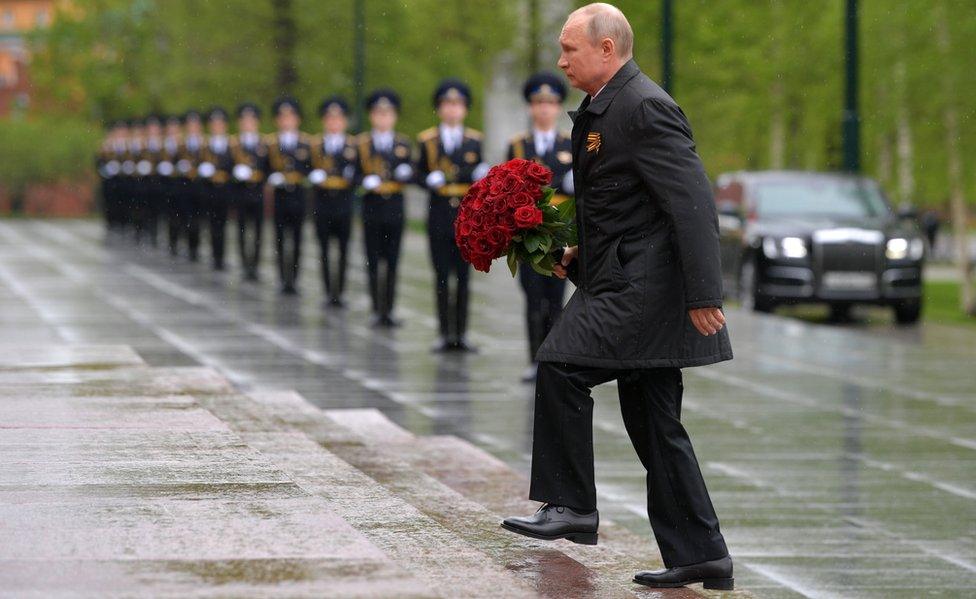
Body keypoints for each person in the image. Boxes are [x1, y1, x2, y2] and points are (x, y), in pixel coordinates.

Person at [500, 4, 735, 591]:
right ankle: (702, 552)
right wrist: (576, 251)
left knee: (558, 363)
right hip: (622, 279)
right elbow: (623, 205)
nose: (560, 61)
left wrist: (705, 292)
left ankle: (570, 504)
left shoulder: (644, 105)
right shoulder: (607, 106)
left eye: (570, 49)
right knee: (656, 422)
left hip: (645, 292)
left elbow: (692, 204)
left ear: (607, 49)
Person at [508, 72, 574, 381]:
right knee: (533, 296)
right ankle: (535, 358)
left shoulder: (570, 144)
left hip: (558, 229)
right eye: (539, 103)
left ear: (558, 107)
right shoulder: (519, 146)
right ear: (531, 107)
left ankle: (554, 357)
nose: (544, 109)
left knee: (556, 294)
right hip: (528, 230)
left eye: (550, 103)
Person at [417, 79, 488, 352]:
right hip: (438, 213)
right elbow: (416, 173)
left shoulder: (474, 140)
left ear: (465, 109)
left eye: (457, 104)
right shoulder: (427, 141)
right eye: (447, 104)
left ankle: (462, 333)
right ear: (439, 108)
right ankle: (444, 332)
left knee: (464, 278)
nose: (452, 110)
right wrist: (427, 179)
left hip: (466, 217)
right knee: (441, 276)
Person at [356, 89, 414, 327]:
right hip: (372, 206)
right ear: (372, 116)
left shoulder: (402, 143)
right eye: (379, 113)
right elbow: (352, 173)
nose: (383, 118)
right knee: (372, 259)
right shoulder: (361, 144)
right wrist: (363, 180)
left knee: (392, 260)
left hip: (394, 206)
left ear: (394, 117)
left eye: (388, 113)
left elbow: (413, 170)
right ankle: (375, 308)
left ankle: (389, 308)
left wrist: (406, 173)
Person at [309, 96, 358, 307]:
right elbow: (305, 166)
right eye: (330, 119)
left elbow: (361, 172)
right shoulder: (315, 144)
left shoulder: (354, 145)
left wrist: (352, 176)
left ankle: (341, 292)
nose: (334, 123)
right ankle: (329, 291)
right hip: (323, 202)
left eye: (338, 119)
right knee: (324, 249)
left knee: (344, 249)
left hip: (344, 203)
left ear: (344, 121)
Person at [265, 97, 312, 295]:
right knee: (280, 239)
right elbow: (263, 167)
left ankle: (294, 279)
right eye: (283, 118)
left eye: (291, 117)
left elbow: (311, 167)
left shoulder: (307, 143)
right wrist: (271, 177)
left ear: (297, 119)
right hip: (280, 195)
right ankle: (282, 279)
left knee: (297, 238)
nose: (287, 121)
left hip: (298, 193)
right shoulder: (271, 143)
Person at [230, 103, 268, 281]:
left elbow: (269, 167)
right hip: (241, 193)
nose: (248, 124)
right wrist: (234, 173)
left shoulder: (265, 144)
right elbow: (225, 165)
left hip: (258, 192)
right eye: (244, 121)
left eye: (251, 120)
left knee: (259, 231)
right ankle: (245, 264)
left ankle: (255, 265)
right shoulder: (234, 144)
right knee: (242, 230)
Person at [198, 107, 235, 271]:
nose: (217, 126)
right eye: (214, 123)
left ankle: (222, 257)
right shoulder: (204, 145)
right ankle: (215, 256)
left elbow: (235, 165)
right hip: (209, 189)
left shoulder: (233, 145)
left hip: (226, 189)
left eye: (220, 123)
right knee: (212, 225)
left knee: (224, 225)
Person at [174, 110, 206, 261]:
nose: (193, 128)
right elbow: (173, 162)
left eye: (195, 125)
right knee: (185, 218)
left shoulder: (206, 143)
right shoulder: (181, 145)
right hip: (185, 186)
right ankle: (189, 247)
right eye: (190, 125)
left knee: (198, 220)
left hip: (201, 186)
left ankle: (196, 247)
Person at [96, 119, 128, 236]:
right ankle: (111, 222)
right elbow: (99, 160)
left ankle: (122, 223)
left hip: (123, 179)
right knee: (110, 201)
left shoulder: (128, 145)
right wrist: (104, 170)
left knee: (124, 201)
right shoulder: (106, 145)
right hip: (110, 179)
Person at [160, 114, 184, 257]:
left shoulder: (184, 144)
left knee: (182, 216)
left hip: (182, 185)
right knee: (171, 216)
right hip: (167, 185)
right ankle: (172, 243)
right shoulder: (163, 145)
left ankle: (181, 243)